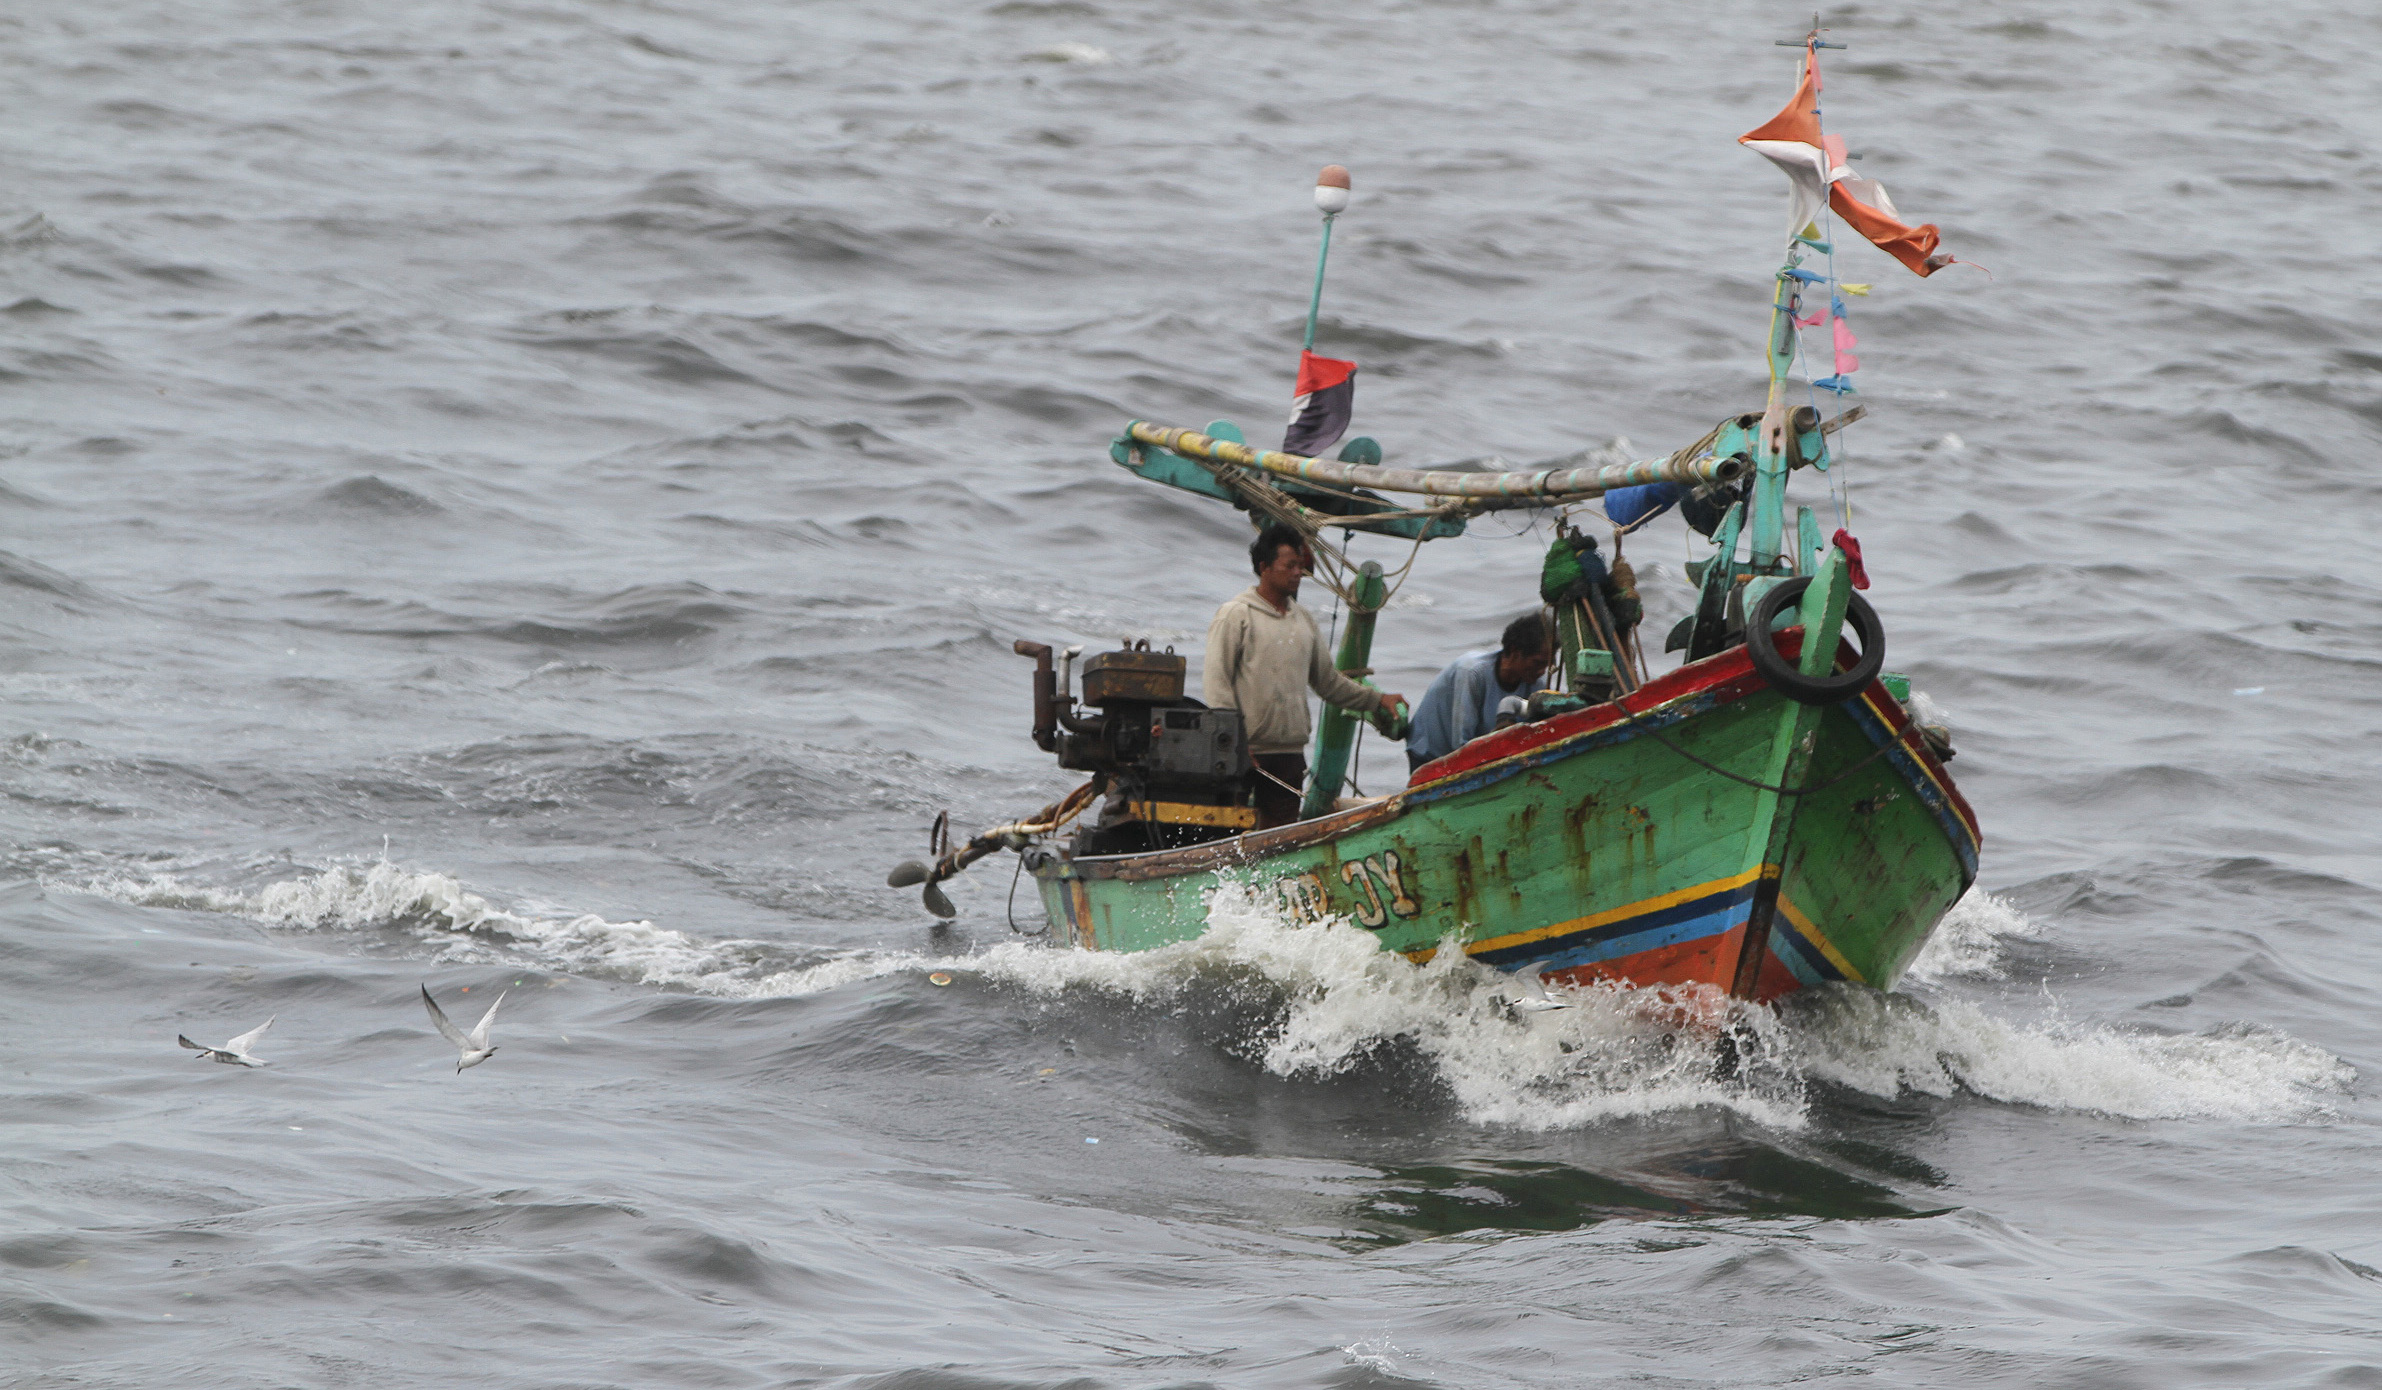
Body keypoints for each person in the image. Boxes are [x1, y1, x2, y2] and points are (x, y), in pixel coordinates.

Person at [1203, 523, 1406, 829]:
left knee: (1283, 837)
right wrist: (1234, 740)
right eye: (1290, 565)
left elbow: (1328, 683)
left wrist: (1377, 700)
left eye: (1300, 565)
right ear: (1265, 568)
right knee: (1229, 834)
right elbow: (1217, 681)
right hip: (1243, 753)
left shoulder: (1304, 620)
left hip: (1289, 755)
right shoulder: (1236, 614)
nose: (1298, 572)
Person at [1405, 612, 1553, 775]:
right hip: (1430, 756)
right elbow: (1461, 744)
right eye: (1537, 663)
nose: (1542, 670)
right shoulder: (1472, 673)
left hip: (1484, 755)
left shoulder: (1535, 681)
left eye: (1547, 664)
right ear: (1514, 652)